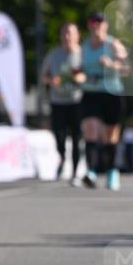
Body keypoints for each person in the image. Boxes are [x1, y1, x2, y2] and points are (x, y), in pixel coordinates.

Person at [79, 12, 127, 191]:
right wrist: (79, 75)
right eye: (93, 22)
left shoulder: (113, 44)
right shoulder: (84, 47)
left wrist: (111, 64)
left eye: (100, 22)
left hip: (112, 93)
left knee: (110, 135)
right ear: (89, 25)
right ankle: (91, 172)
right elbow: (79, 69)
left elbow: (126, 68)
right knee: (90, 129)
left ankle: (112, 172)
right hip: (91, 93)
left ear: (106, 25)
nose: (96, 26)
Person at [41, 22, 84, 185]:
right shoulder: (54, 54)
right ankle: (61, 157)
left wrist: (80, 77)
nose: (67, 37)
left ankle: (74, 172)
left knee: (76, 136)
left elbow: (89, 74)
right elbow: (43, 75)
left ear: (77, 36)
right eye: (65, 33)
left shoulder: (83, 54)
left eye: (71, 33)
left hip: (77, 101)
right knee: (59, 135)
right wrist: (51, 80)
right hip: (58, 101)